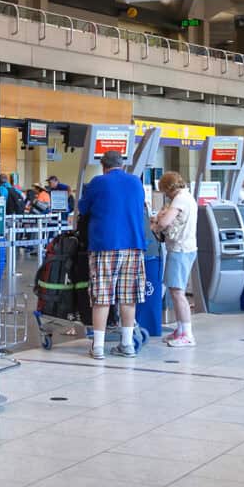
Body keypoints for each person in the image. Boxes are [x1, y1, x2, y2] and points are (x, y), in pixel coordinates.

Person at [78, 149, 147, 360]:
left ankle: (98, 347)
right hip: (134, 245)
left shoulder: (98, 182)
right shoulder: (136, 182)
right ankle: (127, 344)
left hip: (105, 245)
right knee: (128, 296)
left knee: (102, 296)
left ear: (103, 166)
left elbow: (82, 208)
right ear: (123, 165)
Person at [152, 171, 198, 348]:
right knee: (175, 291)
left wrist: (155, 225)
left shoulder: (179, 199)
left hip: (180, 250)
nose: (165, 195)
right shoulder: (188, 197)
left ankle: (187, 334)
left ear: (169, 188)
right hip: (185, 248)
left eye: (164, 191)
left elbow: (165, 223)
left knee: (178, 293)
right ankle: (180, 329)